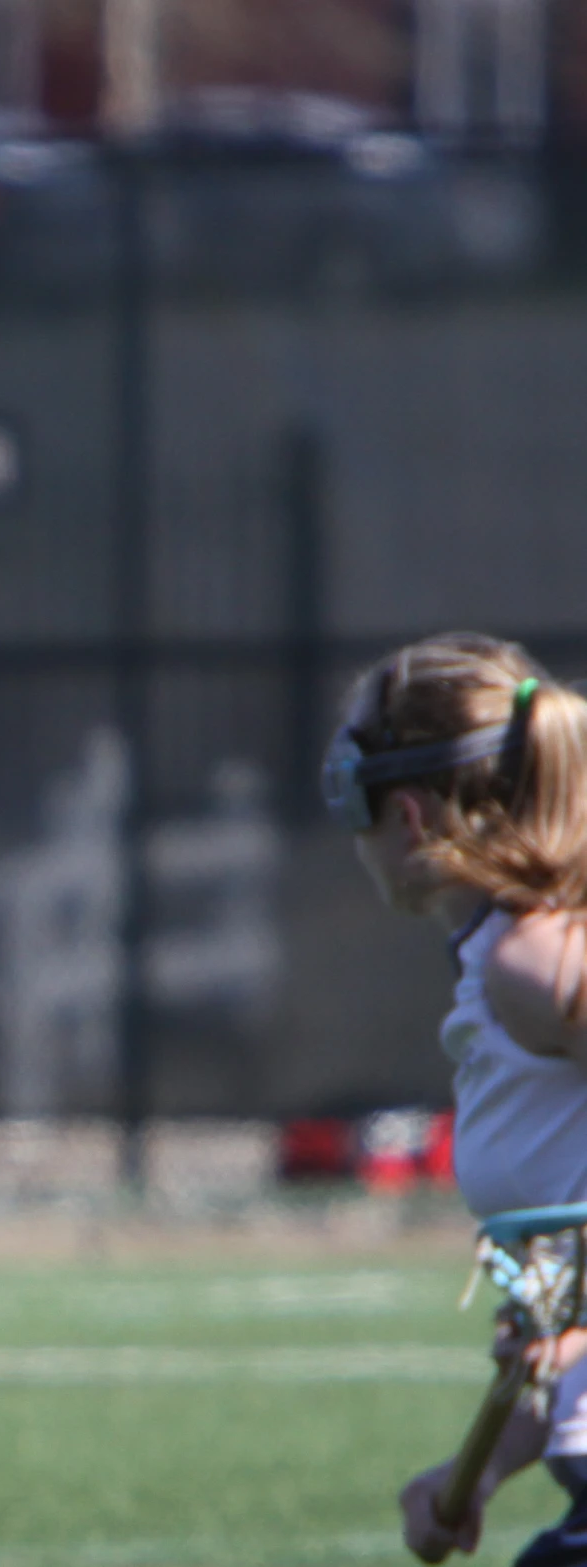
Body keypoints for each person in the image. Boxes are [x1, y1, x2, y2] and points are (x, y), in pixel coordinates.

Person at [321, 633, 587, 1566]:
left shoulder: (532, 961)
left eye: (343, 795)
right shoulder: (510, 962)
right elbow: (571, 1335)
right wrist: (468, 1475)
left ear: (406, 812)